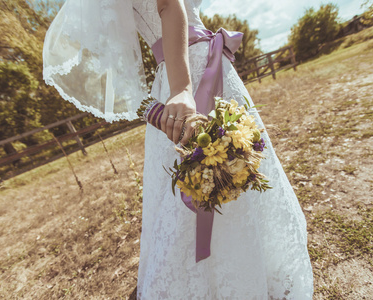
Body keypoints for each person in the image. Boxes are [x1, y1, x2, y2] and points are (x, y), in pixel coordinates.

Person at [43, 0, 313, 299]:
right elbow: (169, 5)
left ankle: (244, 274)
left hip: (198, 64)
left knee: (233, 167)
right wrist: (182, 88)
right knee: (205, 177)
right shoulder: (183, 82)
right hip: (187, 75)